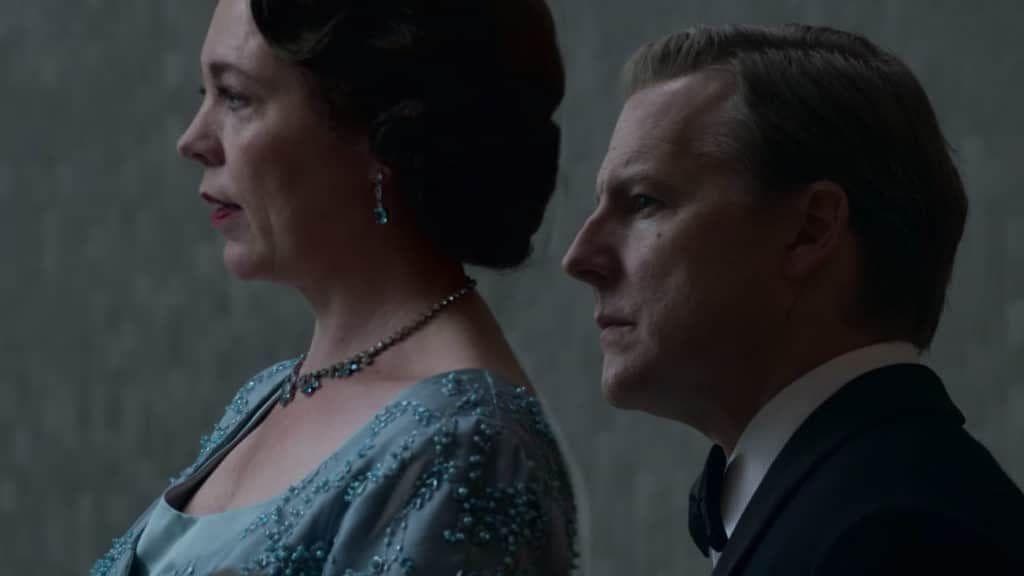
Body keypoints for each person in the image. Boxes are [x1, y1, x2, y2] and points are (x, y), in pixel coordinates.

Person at [91, 0, 579, 574]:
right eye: (206, 96)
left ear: (379, 129)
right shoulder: (270, 393)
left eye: (236, 97)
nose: (193, 140)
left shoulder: (465, 443)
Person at [562, 23, 1024, 575]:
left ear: (810, 230)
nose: (580, 257)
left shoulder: (899, 536)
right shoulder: (880, 503)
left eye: (644, 202)